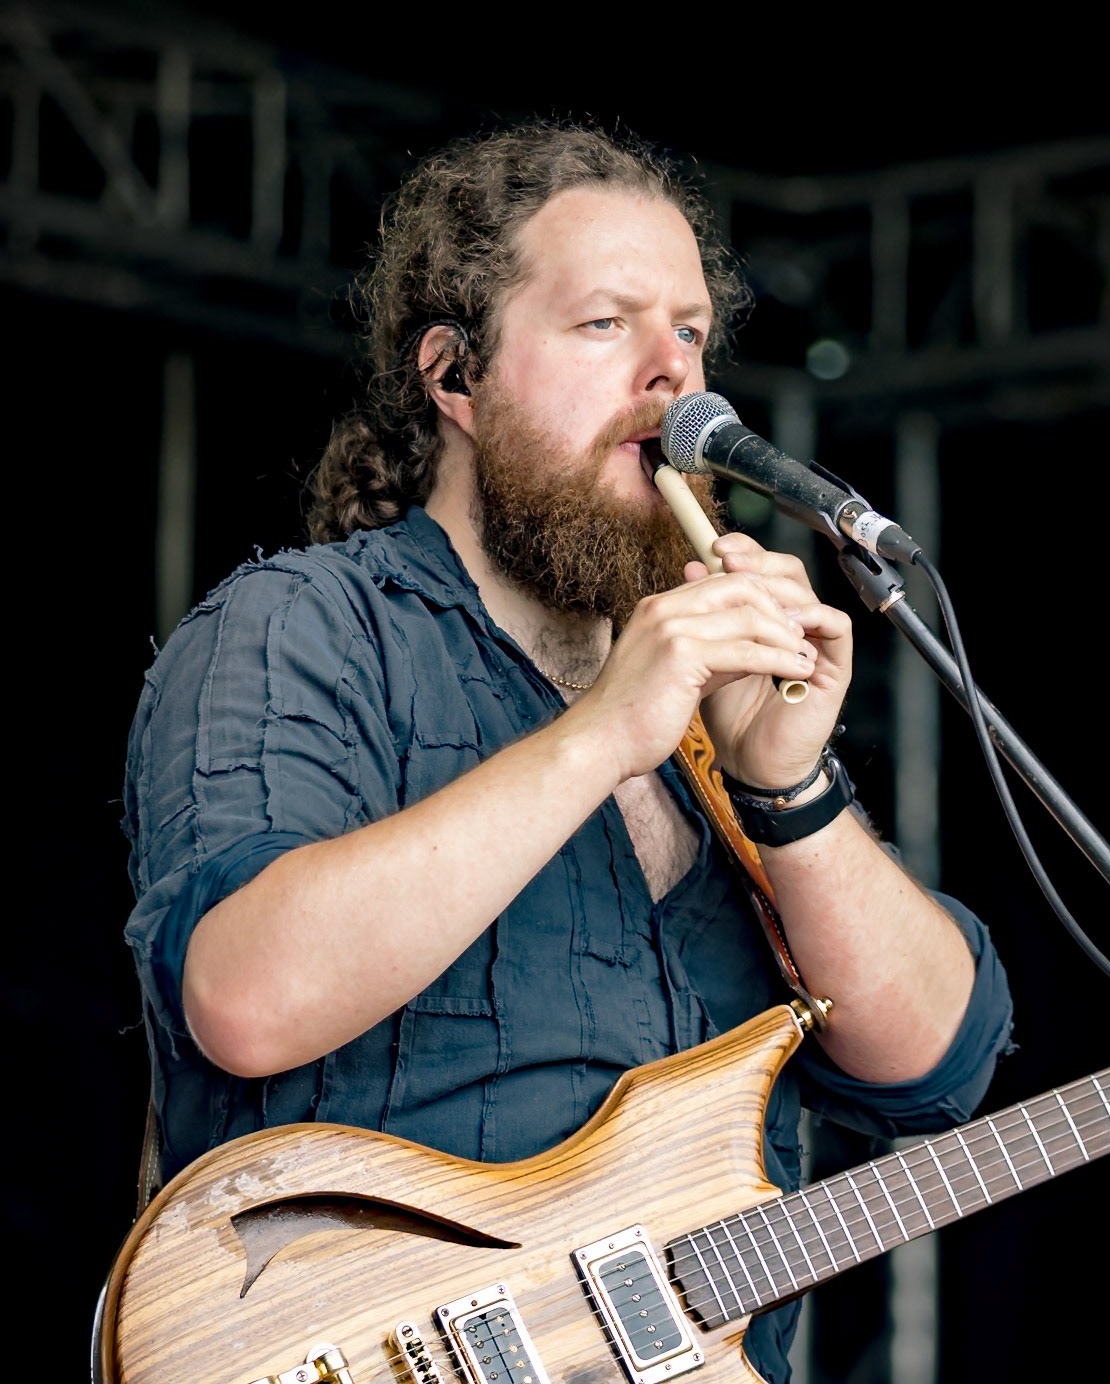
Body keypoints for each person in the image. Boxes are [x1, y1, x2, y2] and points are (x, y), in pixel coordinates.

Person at [123, 122, 1013, 1384]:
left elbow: (937, 1066)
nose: (673, 379)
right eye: (606, 325)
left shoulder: (720, 719)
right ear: (454, 378)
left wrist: (789, 792)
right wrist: (603, 732)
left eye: (691, 332)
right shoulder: (301, 625)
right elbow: (243, 996)